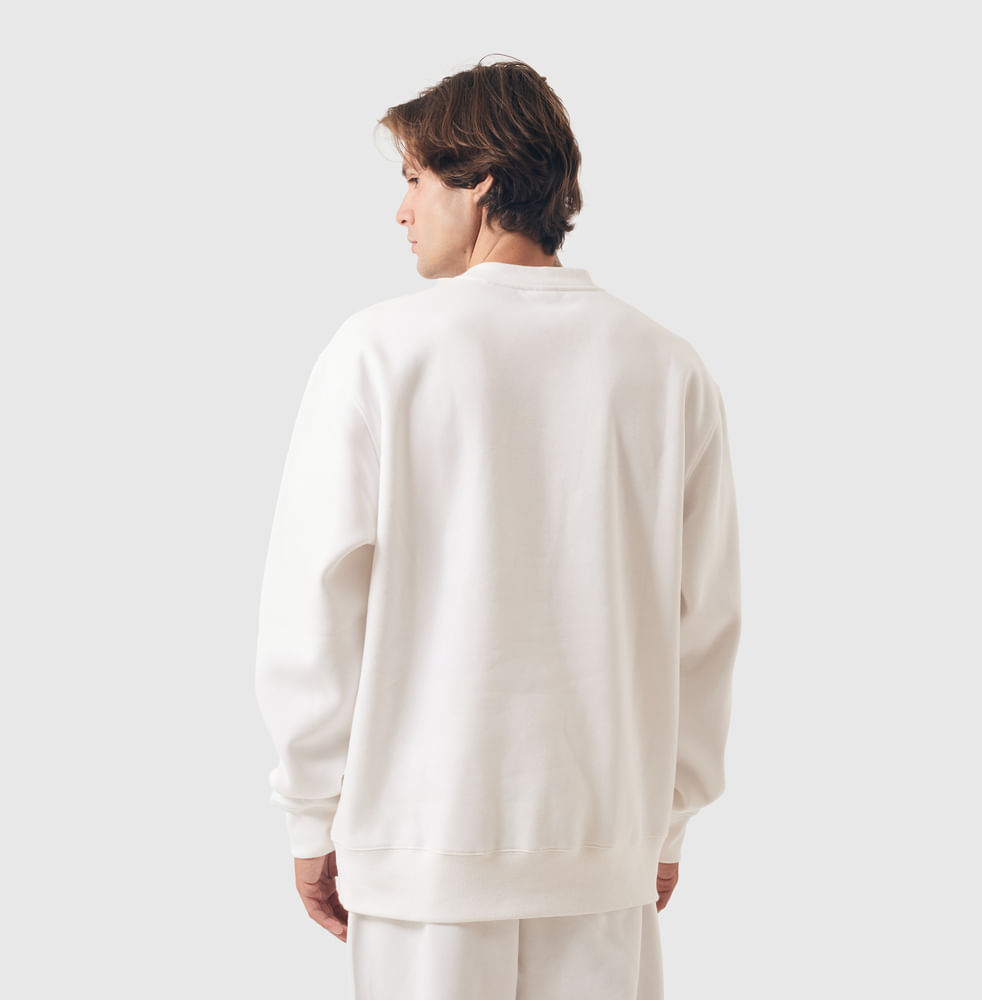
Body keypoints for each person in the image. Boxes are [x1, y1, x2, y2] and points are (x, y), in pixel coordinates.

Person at [254, 55, 742, 999]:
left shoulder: (379, 353)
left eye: (414, 179)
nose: (401, 211)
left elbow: (313, 605)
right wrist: (666, 821)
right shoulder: (668, 368)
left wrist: (311, 812)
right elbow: (707, 624)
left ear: (479, 181)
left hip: (423, 852)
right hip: (601, 856)